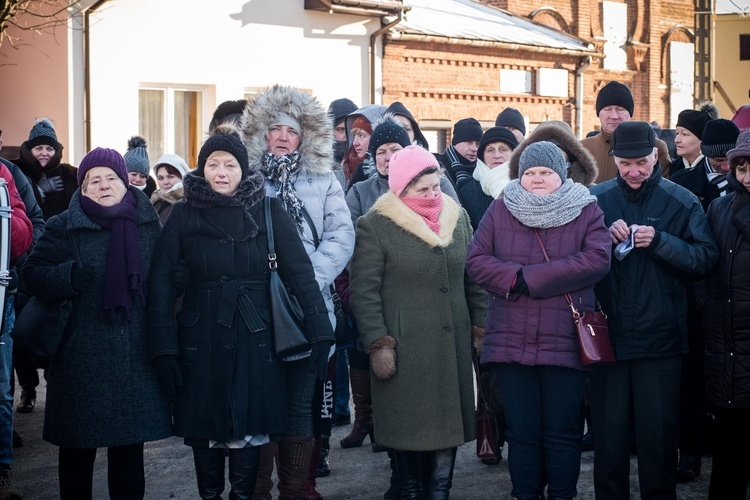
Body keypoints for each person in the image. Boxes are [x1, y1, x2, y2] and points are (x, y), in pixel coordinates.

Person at [146, 126, 333, 499]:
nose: (221, 172)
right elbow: (161, 284)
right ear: (201, 170)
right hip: (201, 339)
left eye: (230, 164)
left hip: (256, 336)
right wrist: (164, 347)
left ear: (243, 170)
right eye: (213, 164)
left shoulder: (267, 208)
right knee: (206, 429)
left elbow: (299, 272)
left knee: (250, 428)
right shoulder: (183, 215)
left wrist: (320, 327)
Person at [21, 147, 171, 499]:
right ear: (83, 188)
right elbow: (31, 275)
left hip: (134, 358)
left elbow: (168, 284)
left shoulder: (148, 225)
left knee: (129, 459)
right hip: (79, 359)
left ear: (125, 183)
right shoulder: (63, 227)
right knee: (76, 458)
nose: (103, 185)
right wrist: (68, 277)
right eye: (94, 180)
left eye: (110, 178)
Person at [465, 141, 610, 500]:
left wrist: (531, 279)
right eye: (530, 173)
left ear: (561, 175)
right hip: (511, 344)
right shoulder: (501, 209)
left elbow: (597, 260)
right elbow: (477, 260)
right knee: (523, 433)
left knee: (562, 431)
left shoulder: (586, 210)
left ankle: (563, 495)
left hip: (565, 343)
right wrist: (516, 278)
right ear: (520, 176)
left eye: (545, 172)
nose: (537, 179)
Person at [588, 121, 718, 499]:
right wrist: (600, 238)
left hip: (661, 341)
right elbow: (576, 258)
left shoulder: (682, 200)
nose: (634, 172)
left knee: (658, 444)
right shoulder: (595, 200)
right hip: (606, 341)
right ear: (614, 159)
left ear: (657, 156)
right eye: (626, 164)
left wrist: (661, 241)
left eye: (642, 163)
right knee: (609, 445)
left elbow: (705, 259)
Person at [349, 145, 486, 499]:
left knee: (447, 426)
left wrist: (480, 329)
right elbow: (364, 291)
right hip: (405, 346)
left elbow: (474, 281)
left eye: (435, 186)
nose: (432, 195)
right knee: (408, 431)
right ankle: (410, 489)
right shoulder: (376, 225)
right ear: (401, 189)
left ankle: (440, 490)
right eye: (421, 189)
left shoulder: (458, 217)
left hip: (450, 345)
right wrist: (379, 343)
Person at [240, 84, 353, 499]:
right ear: (262, 134)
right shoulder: (246, 179)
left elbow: (341, 234)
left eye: (292, 130)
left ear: (305, 136)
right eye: (276, 128)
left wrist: (308, 280)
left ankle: (297, 487)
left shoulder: (323, 178)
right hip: (259, 308)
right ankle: (258, 489)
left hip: (310, 305)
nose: (284, 136)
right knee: (262, 399)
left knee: (301, 401)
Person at [670, 117, 740, 482]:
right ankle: (691, 450)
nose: (724, 168)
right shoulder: (682, 186)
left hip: (738, 301)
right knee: (693, 378)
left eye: (730, 160)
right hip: (698, 299)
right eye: (718, 161)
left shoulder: (742, 187)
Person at [10, 118, 77, 416]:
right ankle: (28, 389)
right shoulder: (16, 171)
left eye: (49, 148)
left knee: (58, 330)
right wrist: (41, 190)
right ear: (29, 148)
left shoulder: (70, 174)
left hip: (60, 264)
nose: (44, 154)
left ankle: (57, 389)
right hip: (24, 264)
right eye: (38, 147)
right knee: (22, 332)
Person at [703, 130, 750, 499]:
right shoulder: (719, 207)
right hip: (727, 350)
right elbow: (707, 268)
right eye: (741, 167)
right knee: (728, 461)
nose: (747, 176)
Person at [0, 159, 33, 500]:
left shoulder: (4, 174)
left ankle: (2, 470)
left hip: (1, 295)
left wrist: (4, 214)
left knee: (0, 389)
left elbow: (23, 235)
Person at [580, 81, 671, 183]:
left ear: (630, 113)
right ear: (598, 113)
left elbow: (663, 189)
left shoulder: (656, 147)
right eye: (607, 109)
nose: (614, 116)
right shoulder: (582, 148)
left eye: (620, 109)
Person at [457, 126, 517, 231]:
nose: (497, 155)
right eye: (490, 150)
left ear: (514, 154)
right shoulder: (465, 189)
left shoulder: (525, 185)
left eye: (503, 149)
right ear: (482, 156)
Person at [669, 103, 720, 178]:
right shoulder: (675, 167)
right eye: (677, 133)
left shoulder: (712, 168)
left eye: (684, 134)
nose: (676, 140)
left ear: (702, 139)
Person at [342, 105, 387, 189]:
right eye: (354, 136)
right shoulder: (345, 167)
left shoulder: (386, 169)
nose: (355, 143)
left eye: (361, 136)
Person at [435, 117, 484, 186]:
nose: (474, 149)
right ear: (456, 143)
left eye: (477, 144)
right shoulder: (437, 165)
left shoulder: (483, 170)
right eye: (469, 142)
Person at [328, 97, 359, 191]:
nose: (347, 135)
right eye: (341, 130)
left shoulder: (367, 165)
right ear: (330, 132)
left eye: (351, 130)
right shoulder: (318, 166)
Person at [150, 153, 189, 224]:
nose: (165, 182)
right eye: (160, 178)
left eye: (170, 177)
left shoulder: (190, 204)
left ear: (183, 177)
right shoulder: (155, 202)